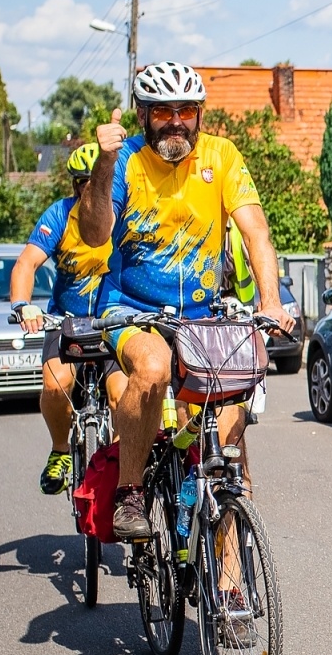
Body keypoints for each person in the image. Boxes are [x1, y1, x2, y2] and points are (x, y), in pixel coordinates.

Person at [77, 61, 295, 542]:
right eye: (163, 111)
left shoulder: (223, 155)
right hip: (130, 307)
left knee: (229, 456)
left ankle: (231, 588)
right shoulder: (126, 161)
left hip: (203, 315)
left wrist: (271, 301)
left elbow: (256, 232)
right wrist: (103, 163)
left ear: (200, 113)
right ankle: (131, 490)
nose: (176, 120)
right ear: (142, 114)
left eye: (186, 110)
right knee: (152, 367)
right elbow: (94, 235)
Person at [8, 142, 124, 493]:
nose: (91, 188)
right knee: (55, 385)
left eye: (98, 180)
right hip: (67, 319)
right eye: (83, 182)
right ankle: (61, 449)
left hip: (114, 318)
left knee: (122, 397)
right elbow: (26, 264)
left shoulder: (124, 214)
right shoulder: (60, 215)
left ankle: (123, 466)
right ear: (75, 186)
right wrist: (22, 304)